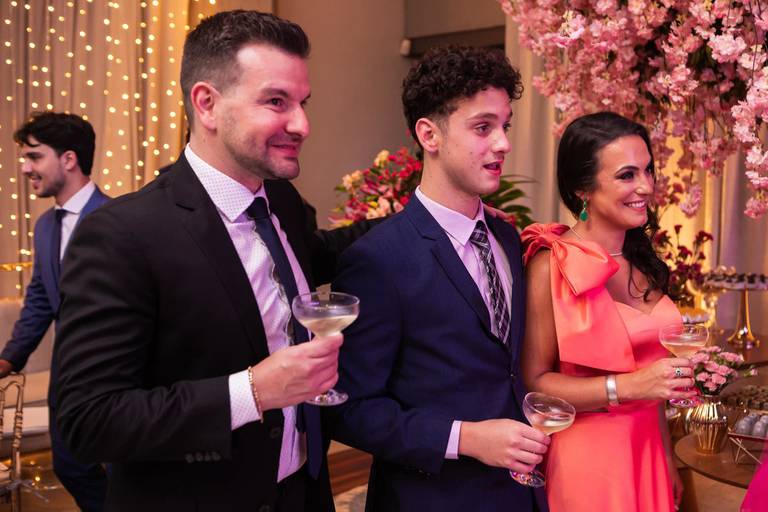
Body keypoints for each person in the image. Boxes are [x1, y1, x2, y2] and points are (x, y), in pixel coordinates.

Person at [52, 10, 371, 511]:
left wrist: (431, 213)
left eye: (302, 103)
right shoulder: (121, 234)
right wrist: (253, 391)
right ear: (207, 104)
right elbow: (88, 421)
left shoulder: (281, 201)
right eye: (276, 101)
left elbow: (320, 253)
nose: (302, 125)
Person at [329, 46, 550, 512]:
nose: (503, 144)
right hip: (431, 497)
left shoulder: (506, 237)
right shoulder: (378, 259)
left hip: (521, 495)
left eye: (505, 126)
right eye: (482, 127)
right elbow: (349, 408)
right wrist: (465, 438)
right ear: (428, 134)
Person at [520, 111, 696, 511]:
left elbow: (657, 385)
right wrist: (628, 387)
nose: (646, 186)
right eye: (626, 175)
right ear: (582, 188)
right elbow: (535, 384)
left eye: (648, 170)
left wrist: (667, 456)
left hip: (648, 448)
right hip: (589, 460)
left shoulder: (643, 259)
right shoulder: (550, 264)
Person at [0, 112, 109, 511]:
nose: (25, 168)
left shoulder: (117, 219)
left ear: (68, 159)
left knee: (117, 471)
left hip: (112, 373)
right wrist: (9, 358)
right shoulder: (45, 226)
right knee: (70, 467)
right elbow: (41, 300)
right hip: (67, 374)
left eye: (34, 156)